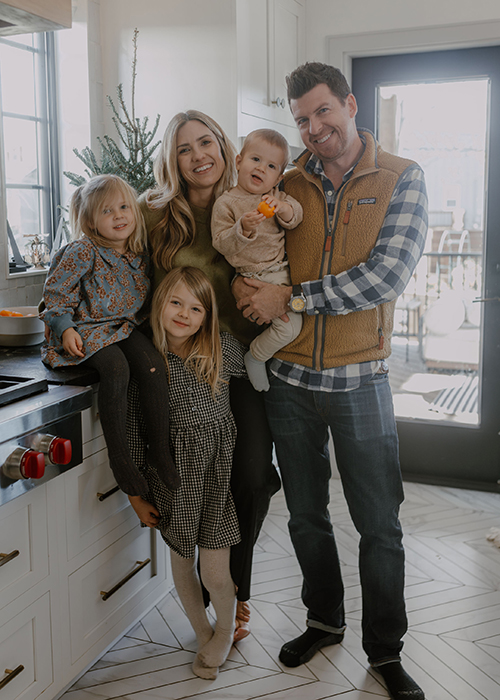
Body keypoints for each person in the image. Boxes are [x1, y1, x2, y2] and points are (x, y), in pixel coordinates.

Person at [236, 62, 428, 700]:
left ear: (349, 104)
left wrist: (288, 297)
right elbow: (250, 243)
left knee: (380, 524)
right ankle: (323, 619)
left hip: (361, 380)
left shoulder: (401, 177)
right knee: (306, 515)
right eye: (301, 120)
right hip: (289, 381)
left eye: (322, 112)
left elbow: (385, 277)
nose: (314, 128)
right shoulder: (288, 183)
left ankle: (386, 651)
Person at [126, 110, 281, 642]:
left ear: (224, 146)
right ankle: (210, 592)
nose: (199, 156)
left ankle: (234, 588)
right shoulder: (153, 215)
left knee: (255, 474)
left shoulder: (246, 200)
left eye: (207, 143)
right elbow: (129, 280)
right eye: (185, 148)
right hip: (177, 368)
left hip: (236, 359)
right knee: (193, 479)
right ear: (173, 159)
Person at [129, 266, 247, 679]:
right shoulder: (144, 356)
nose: (184, 314)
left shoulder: (220, 347)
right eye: (175, 302)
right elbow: (131, 425)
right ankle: (202, 632)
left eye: (196, 308)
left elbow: (253, 379)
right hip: (171, 476)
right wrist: (135, 493)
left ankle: (227, 627)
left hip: (214, 474)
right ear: (159, 303)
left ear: (207, 317)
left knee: (214, 569)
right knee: (182, 560)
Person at [41, 174, 179, 496]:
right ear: (90, 221)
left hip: (122, 327)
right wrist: (65, 328)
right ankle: (122, 462)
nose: (119, 216)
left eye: (124, 207)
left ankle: (160, 451)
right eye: (107, 211)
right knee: (116, 369)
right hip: (86, 328)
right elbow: (56, 293)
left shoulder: (137, 252)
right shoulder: (83, 251)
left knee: (153, 366)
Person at [211, 128, 303, 392]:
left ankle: (264, 357)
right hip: (255, 276)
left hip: (282, 273)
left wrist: (283, 208)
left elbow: (296, 215)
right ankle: (256, 356)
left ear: (278, 176)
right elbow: (221, 242)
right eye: (255, 160)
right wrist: (244, 228)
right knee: (288, 329)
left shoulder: (275, 198)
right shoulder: (226, 203)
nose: (261, 168)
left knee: (298, 324)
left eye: (271, 165)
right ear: (239, 161)